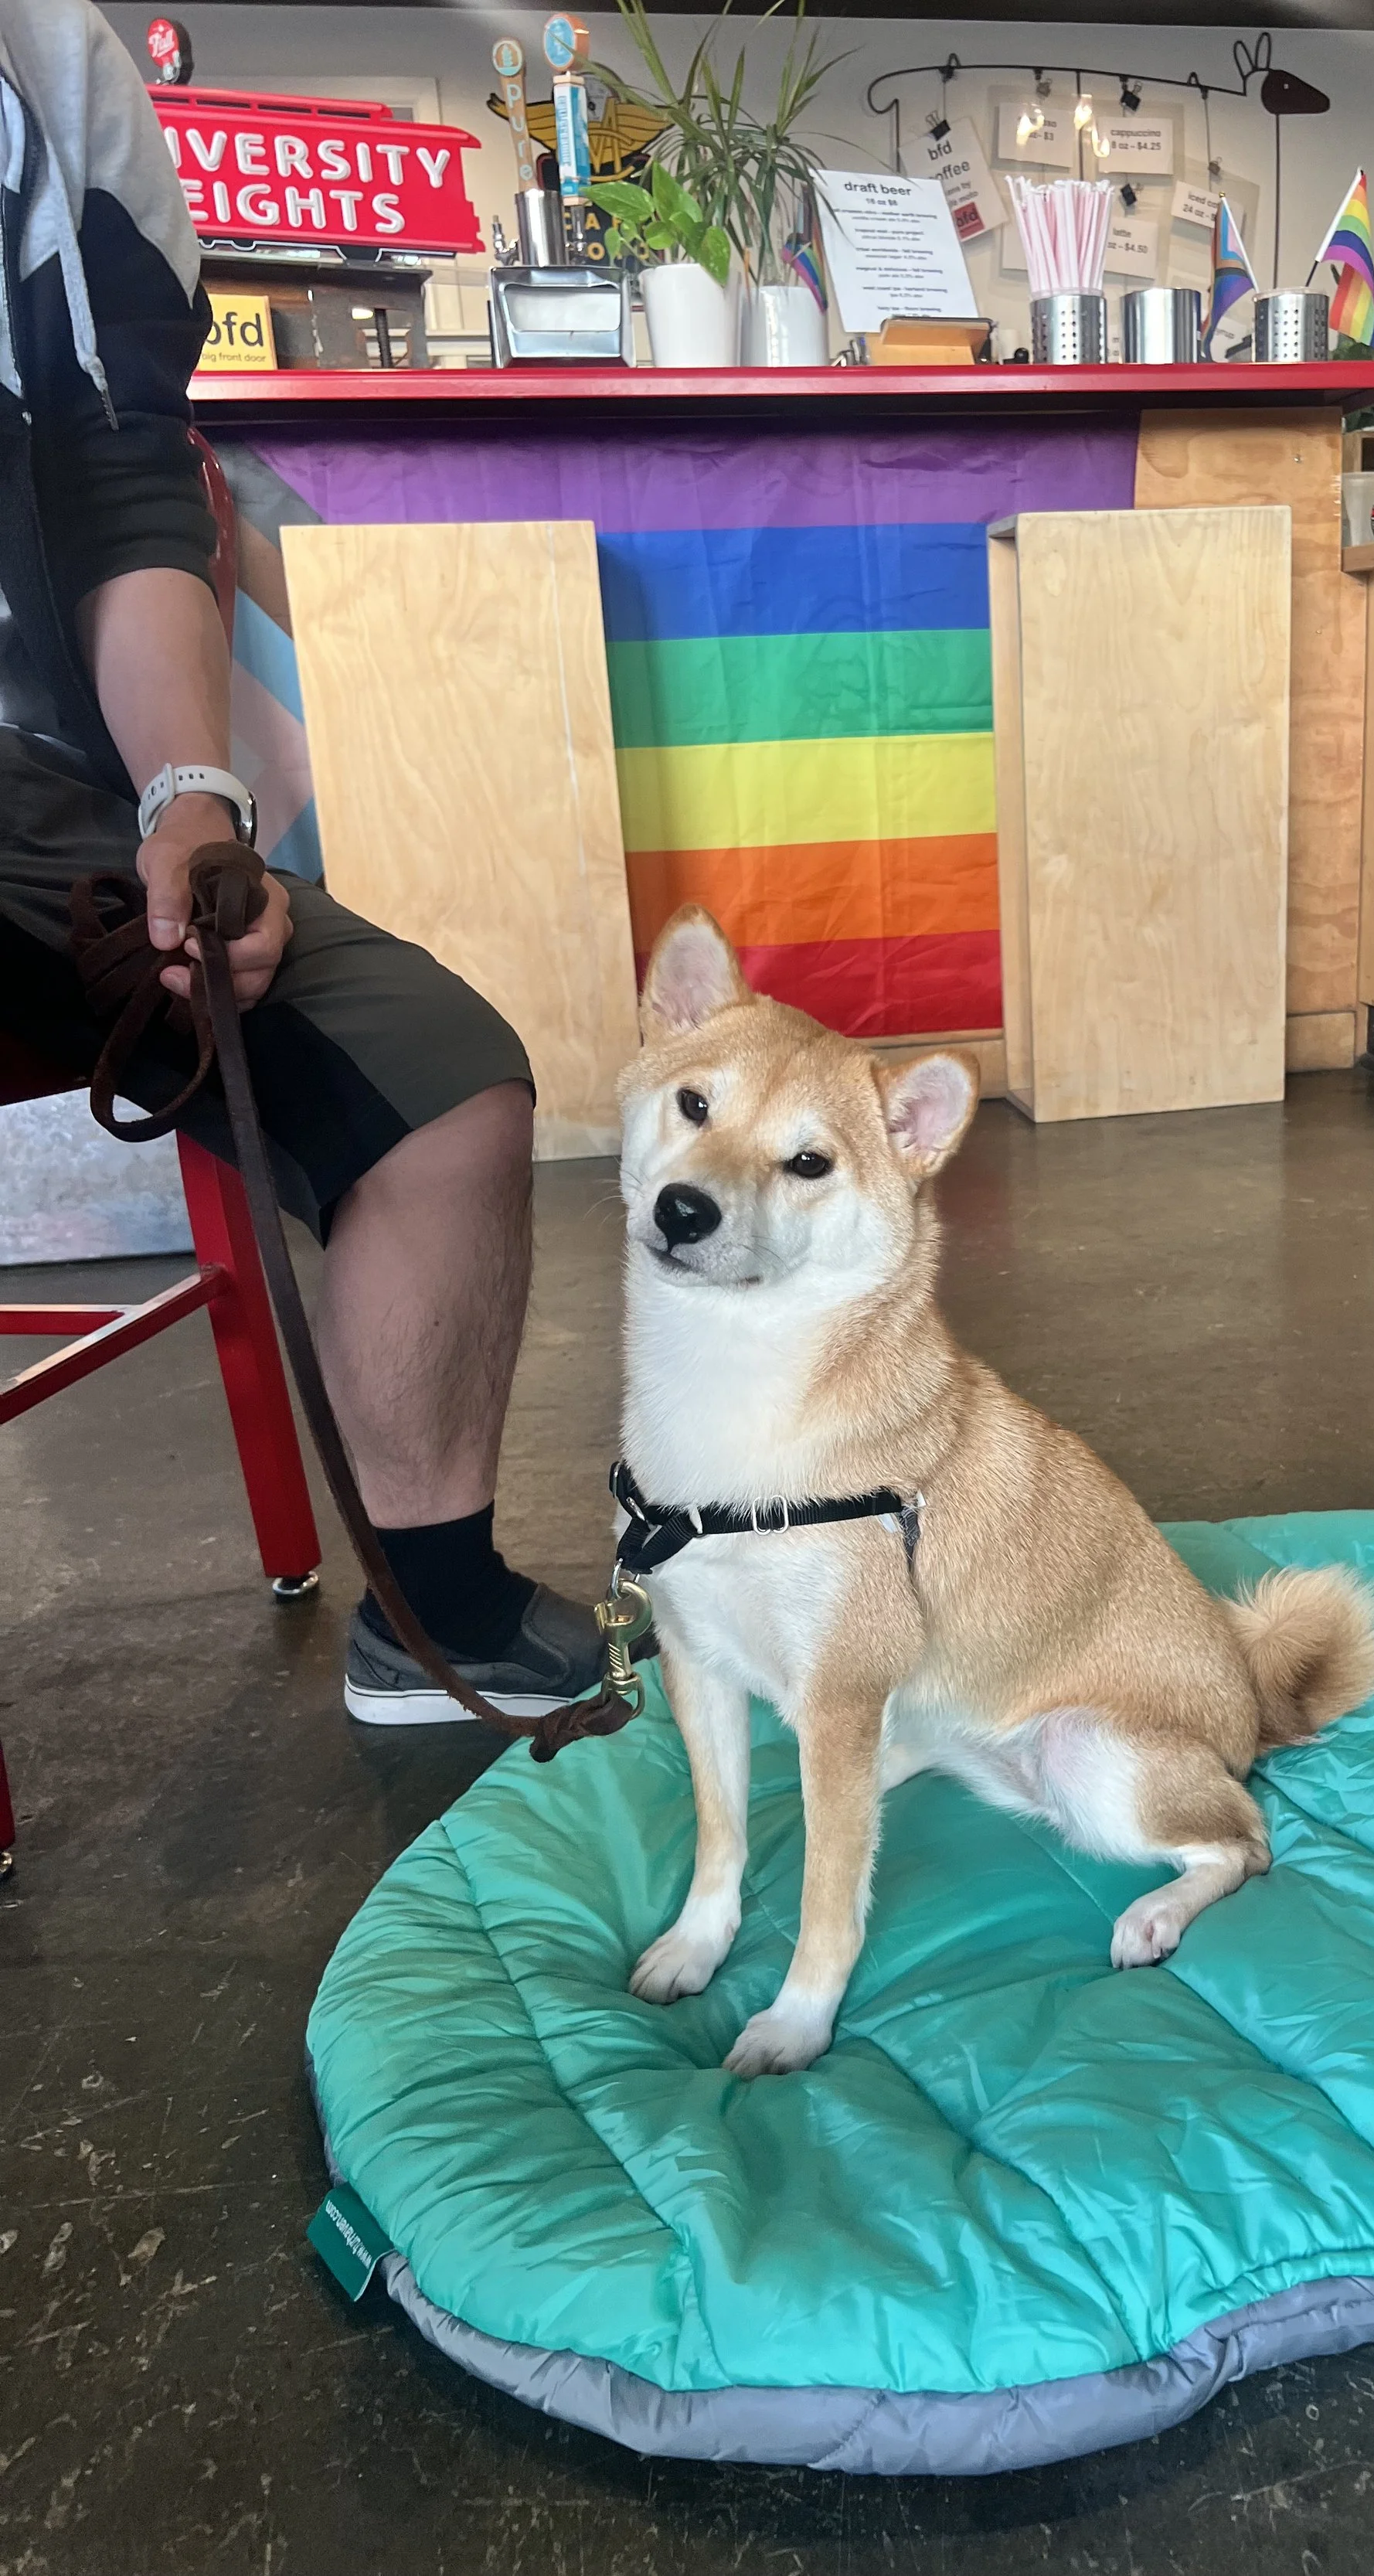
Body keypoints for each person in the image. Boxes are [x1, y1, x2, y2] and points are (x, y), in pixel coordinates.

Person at [0, 0, 601, 1724]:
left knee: (444, 1082)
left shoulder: (53, 66)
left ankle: (438, 1616)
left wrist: (188, 797)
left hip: (26, 776)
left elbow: (120, 479)